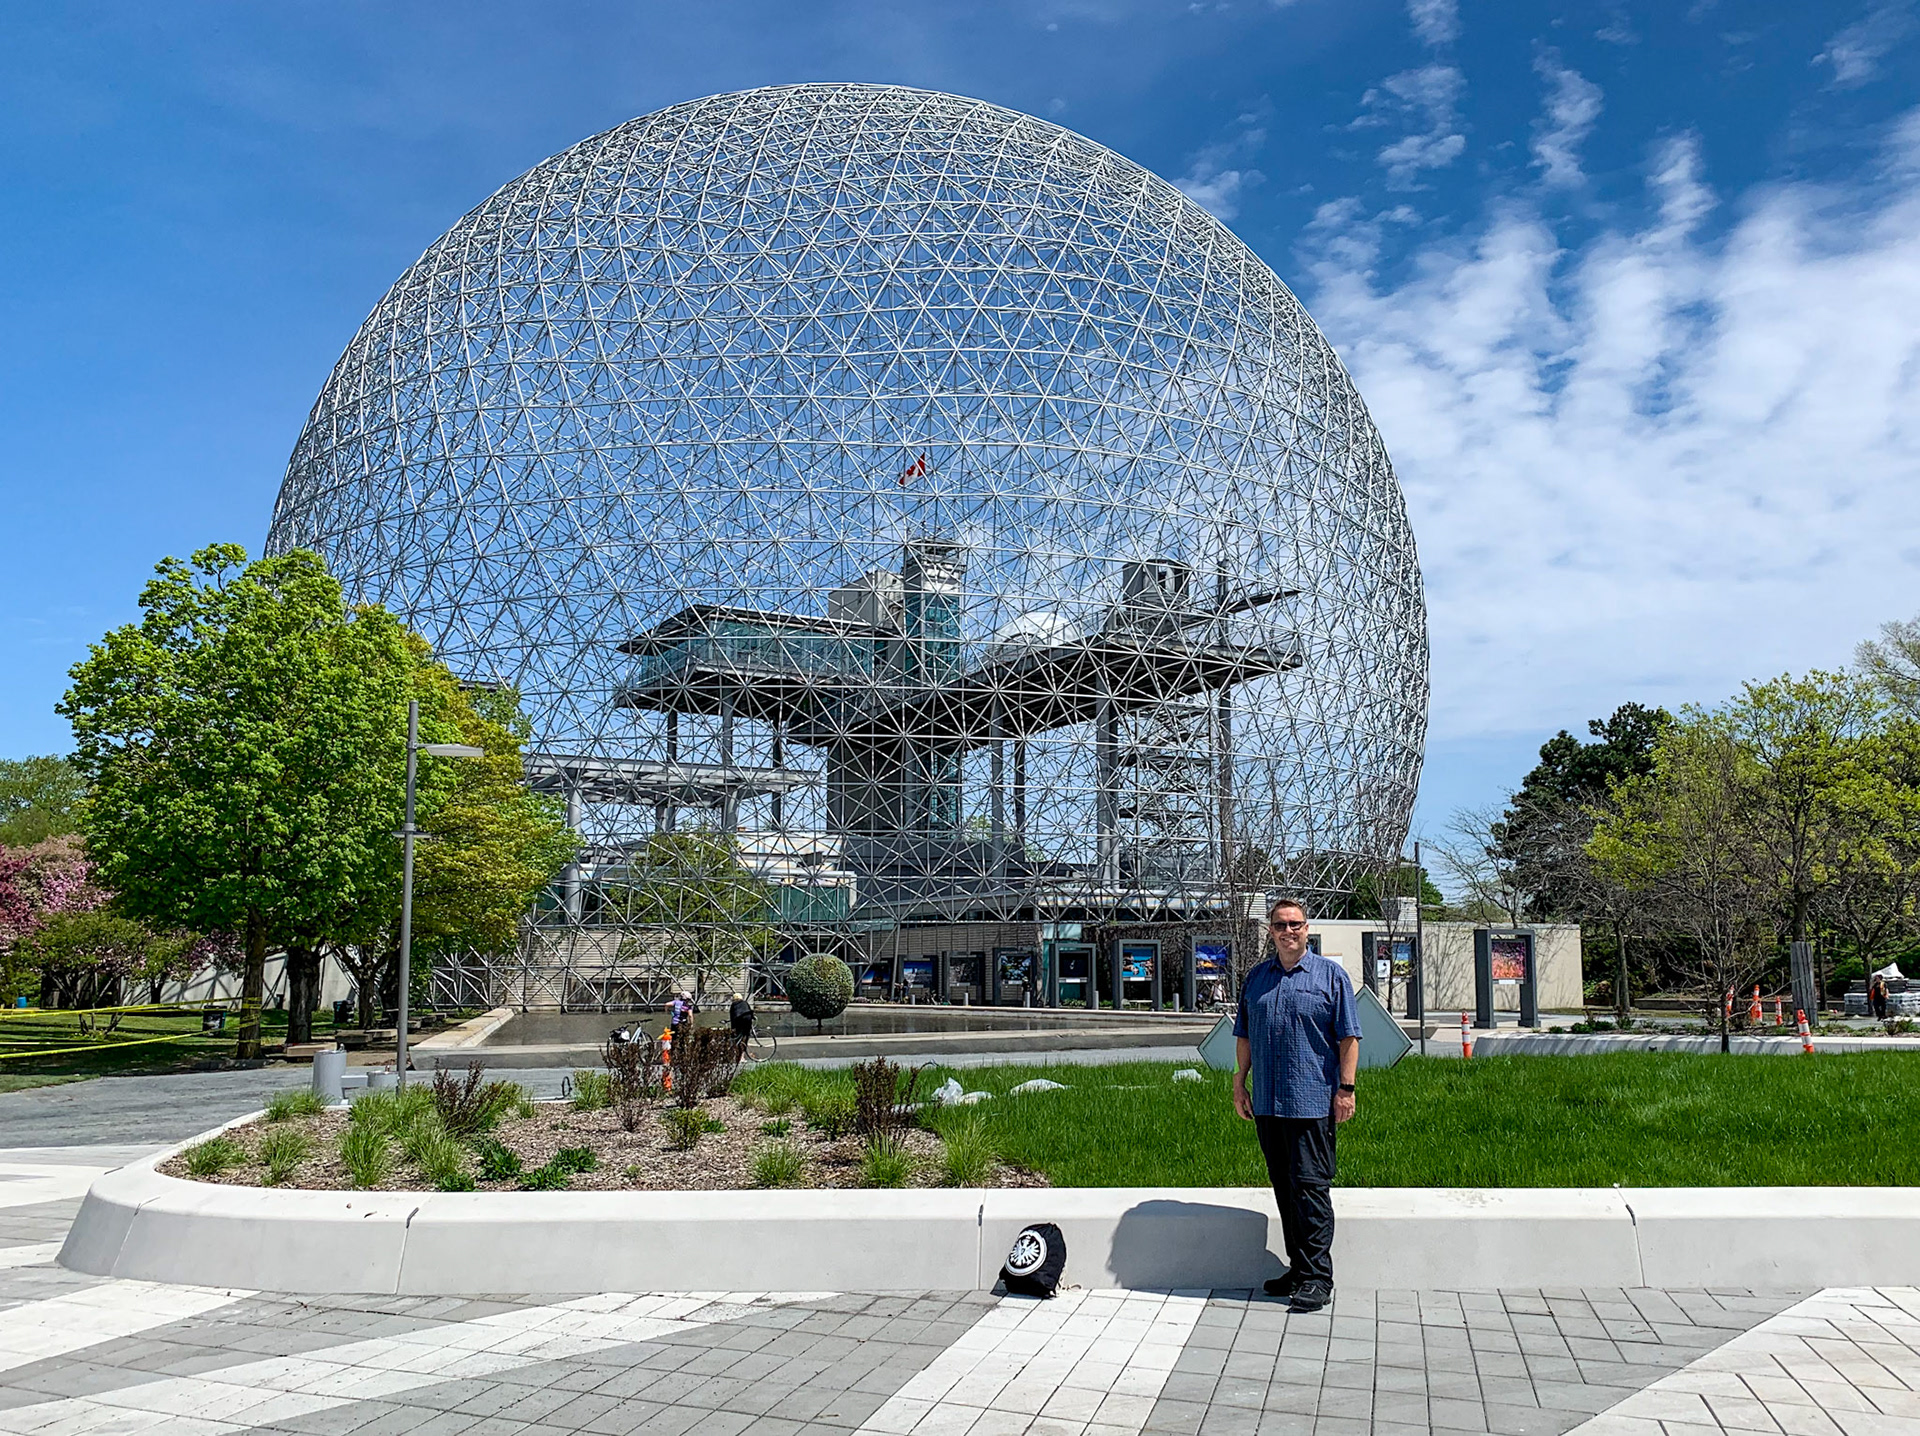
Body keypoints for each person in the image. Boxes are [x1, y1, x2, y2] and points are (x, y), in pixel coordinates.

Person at [1232, 896, 1361, 1313]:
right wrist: (1239, 1083)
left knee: (1310, 1189)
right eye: (1280, 925)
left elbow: (1349, 1037)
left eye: (1295, 924)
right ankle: (1298, 1269)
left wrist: (1346, 1089)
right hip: (1268, 1103)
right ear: (1270, 931)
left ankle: (1318, 1277)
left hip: (1311, 1103)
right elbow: (1244, 1035)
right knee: (1285, 1188)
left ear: (1307, 929)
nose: (1288, 931)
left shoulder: (1330, 977)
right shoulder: (1257, 979)